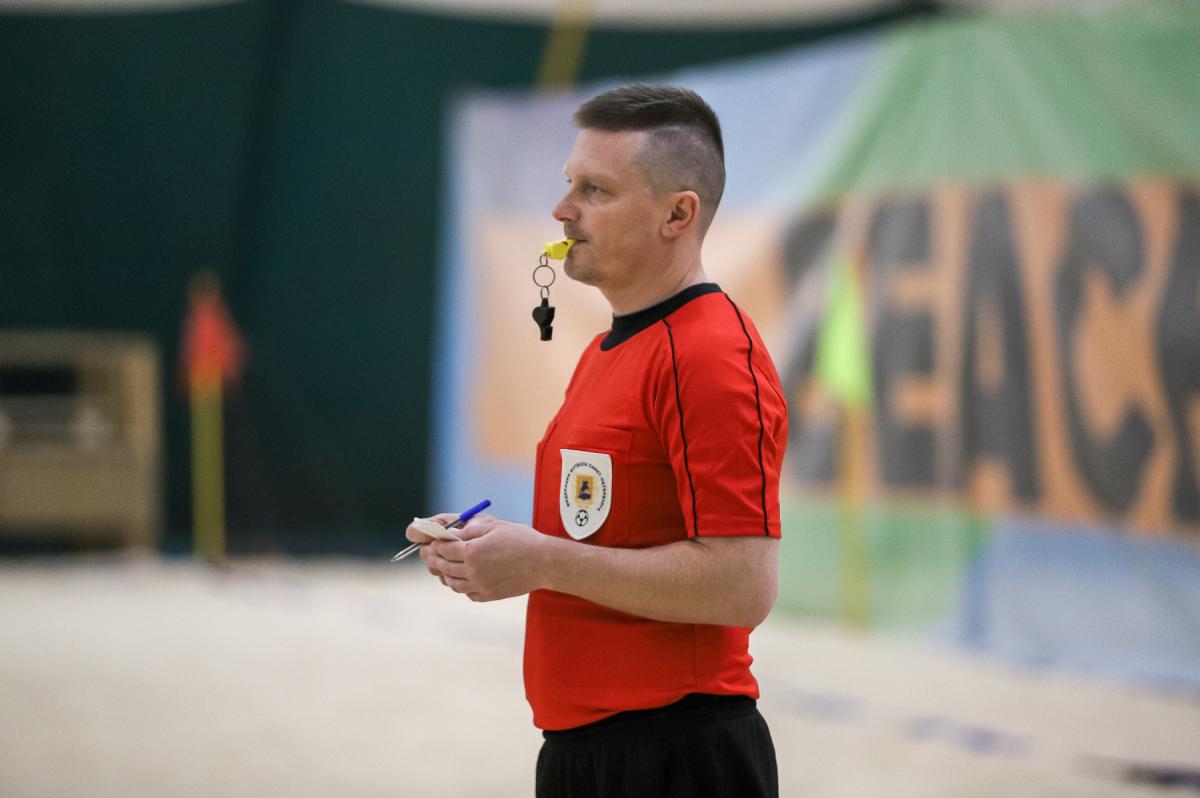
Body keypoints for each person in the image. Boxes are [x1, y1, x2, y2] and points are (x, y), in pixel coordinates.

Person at [408, 84, 788, 798]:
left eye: (595, 190)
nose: (562, 210)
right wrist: (497, 549)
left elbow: (743, 585)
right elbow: (602, 541)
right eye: (568, 184)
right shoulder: (608, 351)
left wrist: (541, 560)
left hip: (675, 755)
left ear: (678, 215)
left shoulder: (710, 355)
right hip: (590, 754)